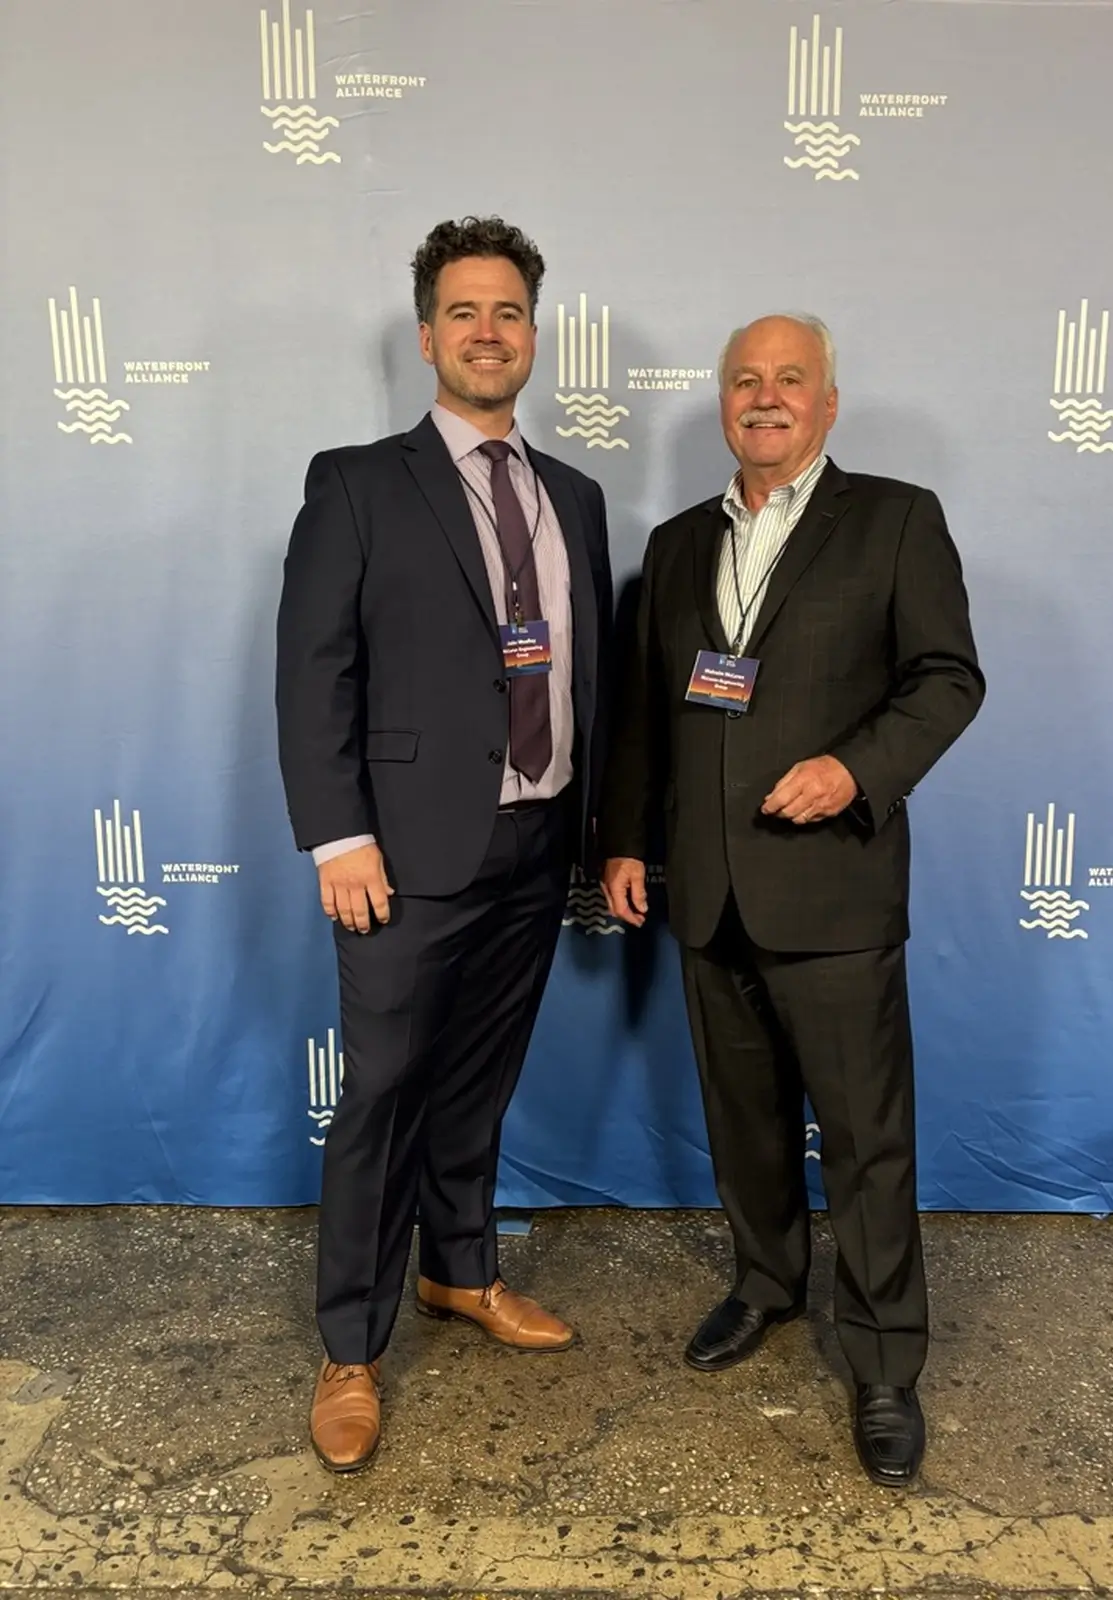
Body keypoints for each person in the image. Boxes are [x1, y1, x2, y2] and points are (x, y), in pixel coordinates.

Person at [599, 313, 984, 1487]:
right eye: (745, 381)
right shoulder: (671, 546)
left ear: (828, 404)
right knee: (745, 1118)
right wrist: (624, 841)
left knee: (867, 1142)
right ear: (724, 403)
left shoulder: (897, 519)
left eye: (790, 381)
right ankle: (766, 1284)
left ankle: (882, 1361)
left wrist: (857, 769)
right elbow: (644, 714)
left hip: (834, 894)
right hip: (708, 892)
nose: (765, 398)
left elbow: (947, 678)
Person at [276, 217, 612, 1473]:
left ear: (536, 334)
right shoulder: (358, 483)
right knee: (382, 1099)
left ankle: (459, 1272)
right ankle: (350, 1346)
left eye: (510, 312)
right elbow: (315, 675)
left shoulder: (572, 497)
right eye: (464, 312)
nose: (488, 331)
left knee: (479, 1081)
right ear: (427, 336)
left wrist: (599, 834)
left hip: (538, 847)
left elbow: (591, 678)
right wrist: (339, 838)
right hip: (405, 856)